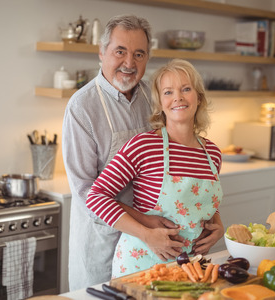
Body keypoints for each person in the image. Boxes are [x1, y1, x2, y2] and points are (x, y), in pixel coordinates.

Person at [62, 15, 183, 290]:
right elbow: (85, 192)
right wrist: (144, 224)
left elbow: (175, 154)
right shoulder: (81, 107)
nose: (130, 63)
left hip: (151, 242)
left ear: (148, 58)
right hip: (102, 240)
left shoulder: (155, 97)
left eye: (139, 54)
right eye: (120, 52)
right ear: (102, 52)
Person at [86, 59, 224, 278]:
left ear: (199, 97)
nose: (177, 97)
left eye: (186, 89)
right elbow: (96, 197)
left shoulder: (212, 154)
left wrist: (218, 226)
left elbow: (203, 204)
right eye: (168, 92)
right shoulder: (144, 146)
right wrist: (147, 235)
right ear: (160, 103)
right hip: (142, 265)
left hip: (189, 268)